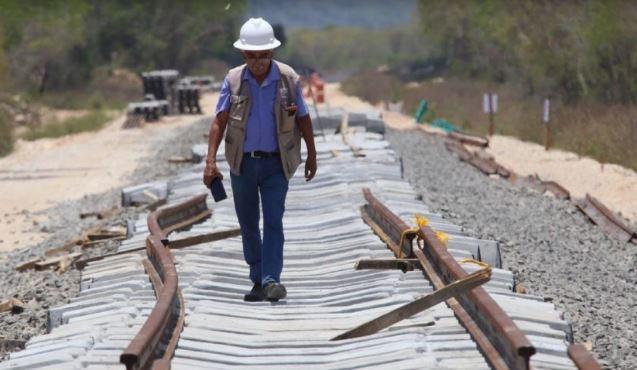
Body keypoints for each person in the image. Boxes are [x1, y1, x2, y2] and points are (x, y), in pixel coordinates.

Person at [203, 18, 317, 302]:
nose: (258, 62)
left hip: (276, 164)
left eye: (263, 56)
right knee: (249, 223)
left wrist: (312, 155)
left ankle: (271, 279)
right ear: (244, 55)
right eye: (252, 56)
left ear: (272, 54)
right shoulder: (233, 80)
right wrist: (210, 161)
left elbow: (303, 117)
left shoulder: (288, 79)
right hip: (242, 163)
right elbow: (220, 121)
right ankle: (258, 279)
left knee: (274, 220)